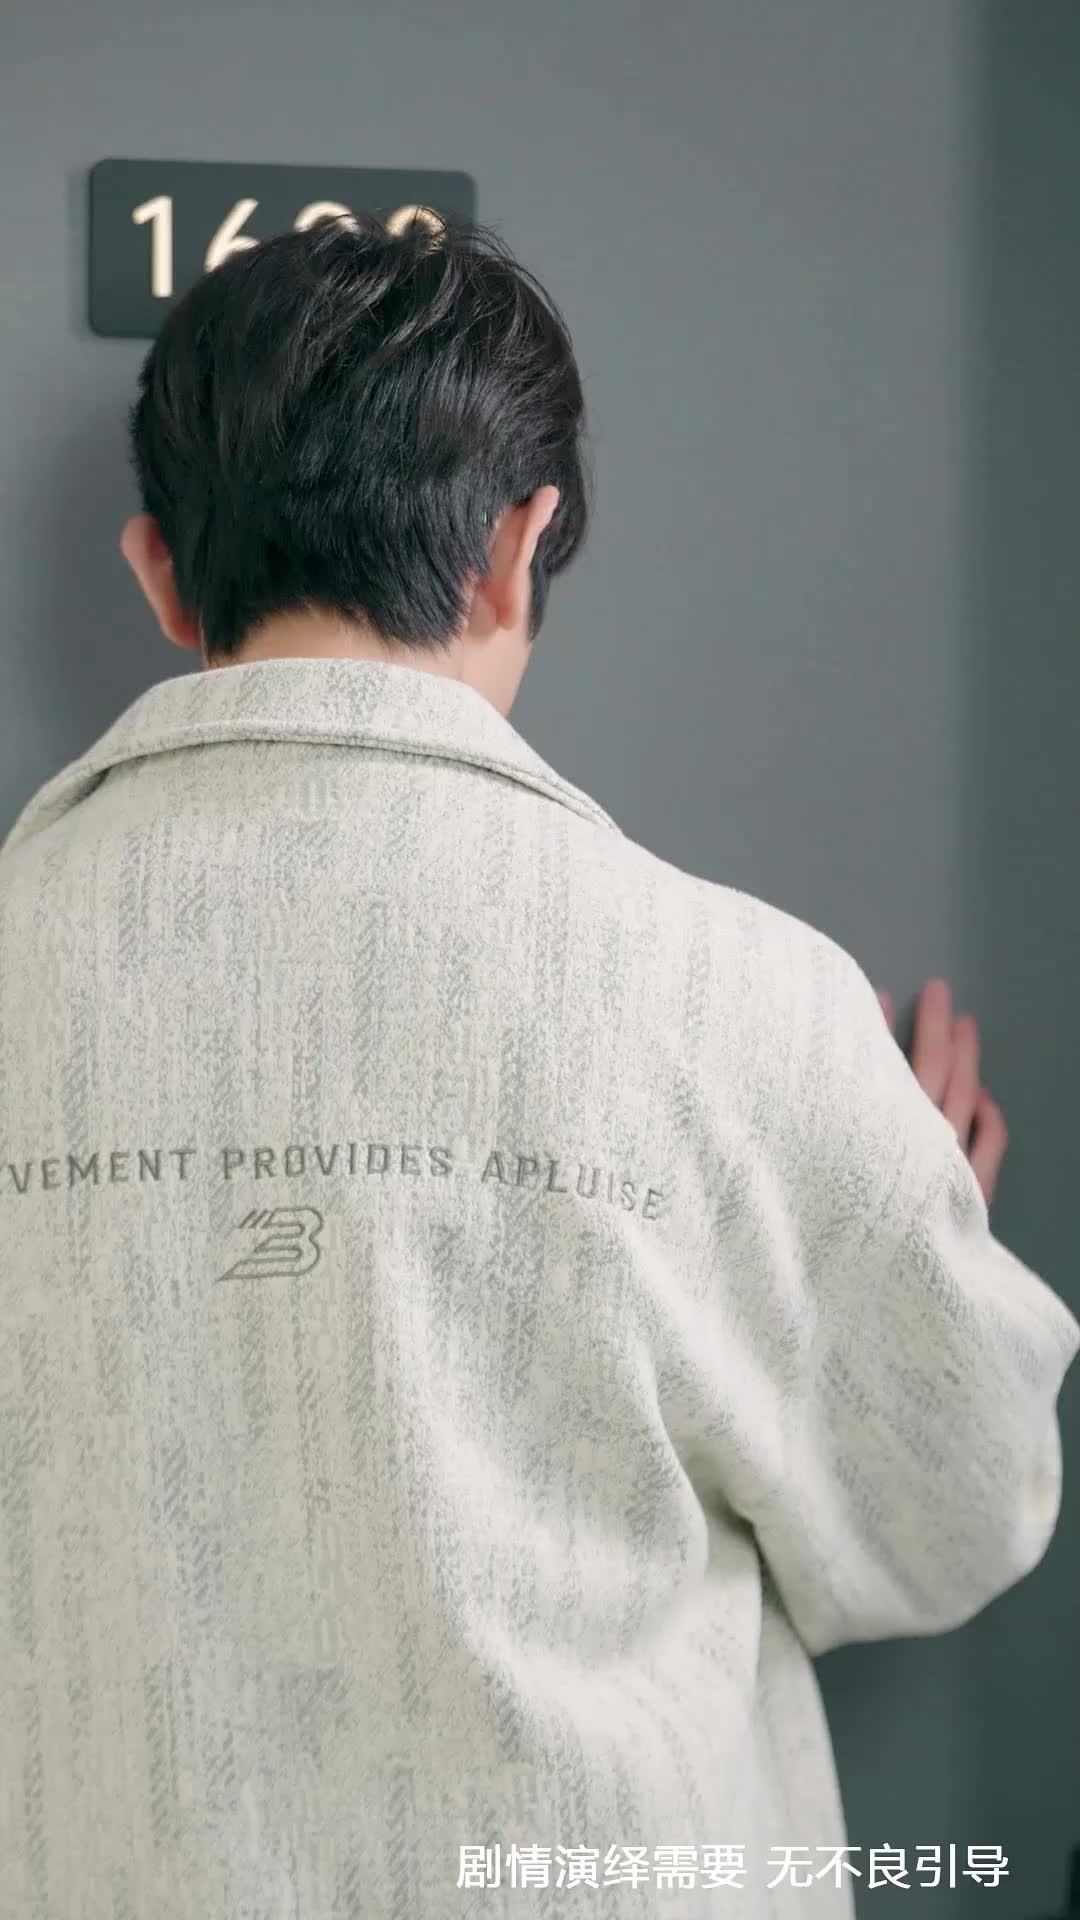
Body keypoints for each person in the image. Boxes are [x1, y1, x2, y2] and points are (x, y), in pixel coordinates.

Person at [0, 214, 1075, 1920]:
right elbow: (951, 1513)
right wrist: (897, 1218)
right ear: (519, 545)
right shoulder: (742, 1004)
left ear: (157, 572)